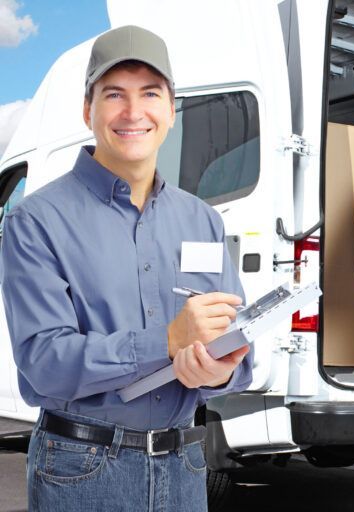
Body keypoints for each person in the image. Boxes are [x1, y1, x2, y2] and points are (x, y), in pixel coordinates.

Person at [0, 25, 252, 511]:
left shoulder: (202, 219)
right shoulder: (36, 220)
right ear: (87, 110)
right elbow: (45, 364)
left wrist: (220, 370)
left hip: (184, 467)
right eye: (114, 94)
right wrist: (168, 341)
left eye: (150, 94)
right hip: (81, 470)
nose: (134, 112)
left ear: (172, 110)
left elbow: (237, 350)